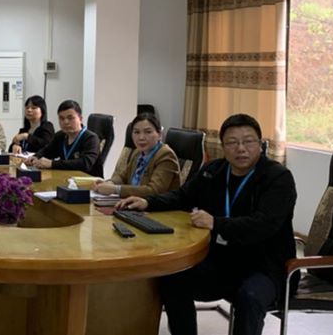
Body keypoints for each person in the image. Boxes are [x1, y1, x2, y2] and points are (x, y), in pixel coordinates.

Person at [116, 113, 296, 335]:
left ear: (260, 144)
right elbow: (183, 196)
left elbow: (263, 225)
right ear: (223, 147)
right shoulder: (214, 170)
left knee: (249, 297)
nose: (241, 148)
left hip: (263, 266)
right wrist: (148, 202)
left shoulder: (278, 178)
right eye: (232, 142)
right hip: (221, 259)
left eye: (248, 141)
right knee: (172, 278)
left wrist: (216, 223)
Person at [94, 112, 179, 197]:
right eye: (136, 132)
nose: (141, 137)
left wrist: (115, 189)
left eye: (148, 132)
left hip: (155, 205)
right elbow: (123, 177)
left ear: (159, 135)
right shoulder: (137, 152)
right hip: (132, 201)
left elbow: (153, 191)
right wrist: (110, 183)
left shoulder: (166, 155)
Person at [24, 100, 102, 176]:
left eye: (70, 118)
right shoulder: (60, 135)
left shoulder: (91, 138)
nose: (65, 122)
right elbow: (47, 151)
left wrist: (52, 164)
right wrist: (36, 157)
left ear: (80, 119)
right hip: (67, 177)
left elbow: (85, 163)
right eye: (61, 118)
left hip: (88, 180)